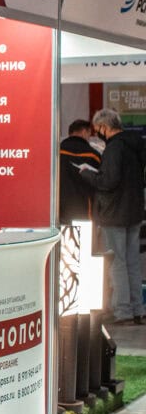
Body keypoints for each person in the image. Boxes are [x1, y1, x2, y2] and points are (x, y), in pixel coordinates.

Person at [80, 109, 146, 325]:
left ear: (104, 127)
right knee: (132, 262)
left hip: (114, 212)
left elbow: (108, 181)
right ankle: (138, 310)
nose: (97, 133)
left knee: (117, 263)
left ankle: (123, 311)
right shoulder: (136, 144)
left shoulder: (114, 148)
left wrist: (87, 173)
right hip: (134, 211)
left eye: (97, 129)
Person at [59, 119, 101, 223]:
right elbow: (101, 181)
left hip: (59, 207)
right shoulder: (94, 155)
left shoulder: (56, 151)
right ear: (84, 132)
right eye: (89, 134)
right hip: (84, 209)